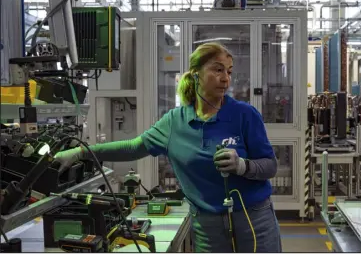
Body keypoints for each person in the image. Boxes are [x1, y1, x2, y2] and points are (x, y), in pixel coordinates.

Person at [54, 42, 282, 253]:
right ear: (195, 74)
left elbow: (270, 166)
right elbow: (134, 147)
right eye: (218, 70)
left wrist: (243, 166)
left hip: (253, 220)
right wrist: (81, 152)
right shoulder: (175, 122)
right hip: (207, 226)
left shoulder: (244, 115)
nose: (225, 79)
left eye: (229, 71)